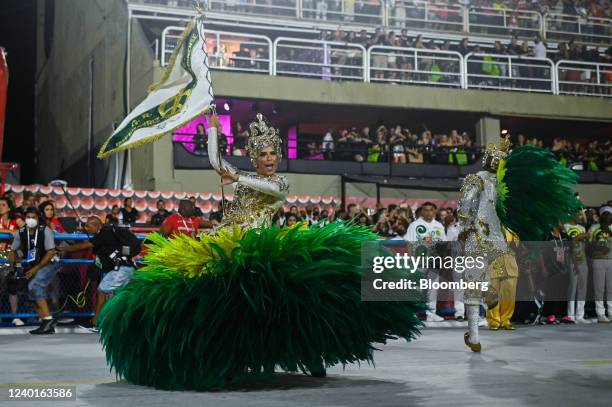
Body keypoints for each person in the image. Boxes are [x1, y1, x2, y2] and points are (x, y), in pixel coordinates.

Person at [98, 113, 424, 390]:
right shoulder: (246, 178)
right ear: (255, 157)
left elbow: (264, 188)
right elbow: (215, 162)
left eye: (273, 154)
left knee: (288, 299)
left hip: (260, 248)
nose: (269, 159)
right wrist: (213, 127)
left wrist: (237, 175)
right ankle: (223, 356)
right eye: (263, 155)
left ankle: (309, 352)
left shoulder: (278, 184)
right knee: (221, 304)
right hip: (227, 243)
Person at [458, 136, 581, 352]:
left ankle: (475, 337)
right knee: (495, 279)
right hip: (498, 241)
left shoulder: (474, 179)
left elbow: (465, 209)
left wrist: (465, 227)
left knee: (472, 286)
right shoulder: (505, 185)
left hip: (476, 238)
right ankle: (488, 292)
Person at [59, 216, 139, 329]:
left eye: (88, 226)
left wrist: (62, 249)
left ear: (97, 225)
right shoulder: (108, 233)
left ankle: (96, 324)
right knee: (118, 295)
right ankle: (109, 322)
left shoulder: (104, 233)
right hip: (126, 268)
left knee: (102, 292)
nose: (86, 228)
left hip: (121, 270)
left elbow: (84, 245)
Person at [8, 208, 59, 335]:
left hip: (50, 262)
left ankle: (48, 320)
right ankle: (46, 322)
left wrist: (35, 268)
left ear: (38, 218)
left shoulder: (45, 231)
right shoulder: (20, 232)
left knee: (35, 286)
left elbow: (51, 252)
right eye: (28, 217)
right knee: (31, 290)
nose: (30, 219)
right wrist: (13, 268)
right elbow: (12, 251)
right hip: (34, 264)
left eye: (33, 217)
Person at [404, 202, 447, 322]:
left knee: (432, 288)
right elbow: (409, 243)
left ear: (434, 212)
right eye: (425, 210)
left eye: (431, 210)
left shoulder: (439, 226)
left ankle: (431, 313)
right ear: (422, 211)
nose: (428, 212)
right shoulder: (414, 225)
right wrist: (411, 259)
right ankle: (413, 313)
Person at [564, 210, 590, 323]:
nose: (581, 216)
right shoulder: (566, 226)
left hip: (582, 260)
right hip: (571, 259)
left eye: (581, 214)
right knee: (572, 287)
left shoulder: (582, 228)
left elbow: (585, 245)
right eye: (579, 214)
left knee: (582, 287)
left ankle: (580, 315)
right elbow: (569, 242)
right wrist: (580, 236)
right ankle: (571, 315)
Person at [0, 196, 23, 326]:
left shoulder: (15, 221)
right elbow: (13, 233)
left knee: (12, 289)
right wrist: (9, 232)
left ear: (9, 208)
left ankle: (15, 316)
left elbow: (25, 231)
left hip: (11, 258)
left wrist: (16, 230)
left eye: (3, 204)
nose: (0, 206)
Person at [589, 206, 612, 323]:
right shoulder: (594, 228)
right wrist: (599, 247)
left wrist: (608, 230)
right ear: (601, 216)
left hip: (611, 260)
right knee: (599, 288)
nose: (607, 216)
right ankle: (600, 314)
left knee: (610, 288)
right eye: (605, 214)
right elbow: (590, 245)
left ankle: (611, 313)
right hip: (598, 260)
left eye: (609, 214)